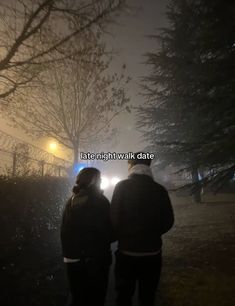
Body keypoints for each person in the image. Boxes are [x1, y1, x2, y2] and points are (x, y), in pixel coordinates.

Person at [110, 153, 174, 306]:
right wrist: (153, 233)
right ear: (148, 166)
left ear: (131, 166)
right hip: (152, 254)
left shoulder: (121, 187)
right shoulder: (159, 190)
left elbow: (114, 218)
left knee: (124, 296)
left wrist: (124, 235)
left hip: (127, 253)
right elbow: (168, 221)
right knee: (148, 296)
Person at [60, 167, 114, 306]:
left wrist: (69, 254)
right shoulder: (101, 202)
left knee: (77, 297)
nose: (101, 181)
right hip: (96, 260)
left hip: (73, 259)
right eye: (100, 178)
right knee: (96, 297)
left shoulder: (71, 201)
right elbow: (108, 231)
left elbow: (64, 230)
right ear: (94, 181)